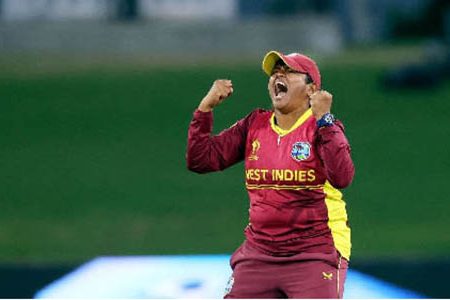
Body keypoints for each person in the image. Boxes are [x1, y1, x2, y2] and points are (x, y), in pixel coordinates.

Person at [186, 50, 355, 298]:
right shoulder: (255, 125)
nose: (279, 75)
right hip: (260, 253)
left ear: (311, 89)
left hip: (315, 252)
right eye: (275, 72)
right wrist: (205, 109)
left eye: (288, 72)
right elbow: (201, 160)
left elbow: (342, 178)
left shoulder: (323, 128)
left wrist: (325, 120)